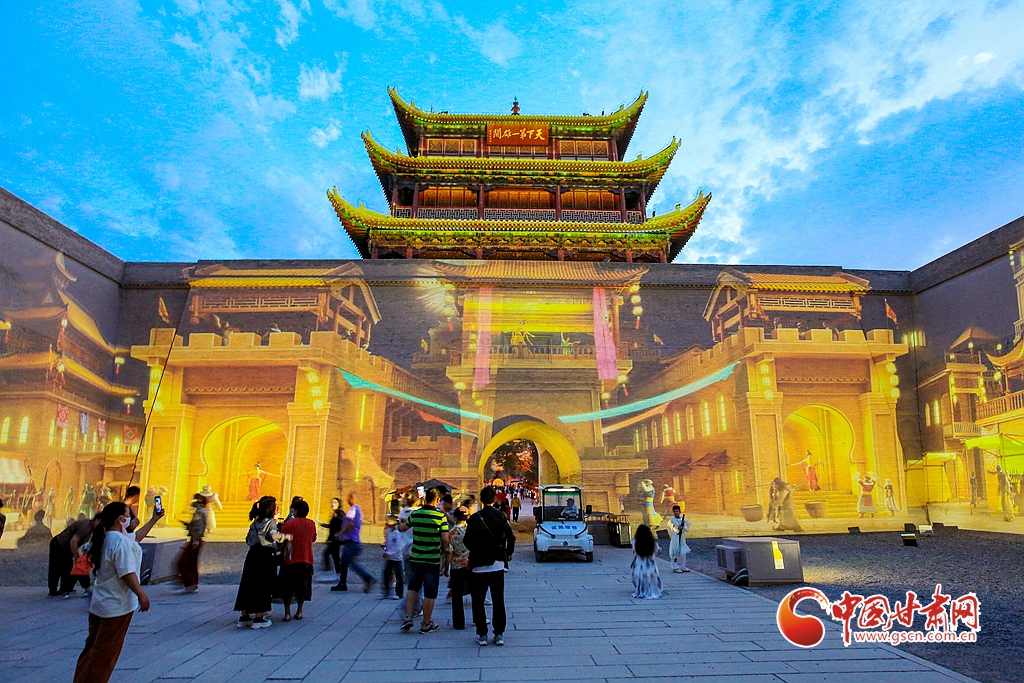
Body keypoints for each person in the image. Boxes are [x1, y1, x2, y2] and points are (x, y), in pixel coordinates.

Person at [72, 500, 163, 683]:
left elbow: (136, 537)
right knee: (105, 655)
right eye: (128, 515)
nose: (131, 518)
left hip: (100, 602)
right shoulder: (120, 542)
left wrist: (154, 519)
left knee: (92, 649)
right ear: (120, 519)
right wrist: (141, 594)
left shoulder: (106, 538)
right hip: (117, 605)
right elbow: (126, 573)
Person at [464, 485, 515, 646]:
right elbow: (511, 536)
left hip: (478, 565)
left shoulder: (474, 518)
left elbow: (467, 540)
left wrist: (477, 550)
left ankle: (482, 634)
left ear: (481, 499)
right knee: (498, 600)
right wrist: (508, 552)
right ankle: (499, 633)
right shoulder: (500, 516)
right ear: (494, 499)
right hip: (497, 564)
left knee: (478, 601)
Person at [234, 496, 291, 629]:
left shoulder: (255, 522)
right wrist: (286, 537)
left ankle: (244, 616)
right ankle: (259, 617)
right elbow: (274, 535)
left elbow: (248, 539)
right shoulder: (270, 522)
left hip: (252, 554)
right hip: (265, 556)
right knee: (263, 585)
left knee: (248, 584)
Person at [399, 487, 450, 634]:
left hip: (416, 557)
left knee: (413, 587)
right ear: (437, 499)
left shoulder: (416, 514)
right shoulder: (440, 516)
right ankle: (426, 623)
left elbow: (403, 528)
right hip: (432, 559)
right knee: (430, 592)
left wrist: (398, 523)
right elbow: (445, 539)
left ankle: (408, 616)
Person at [280, 500, 316, 621]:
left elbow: (282, 537)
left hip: (290, 559)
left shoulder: (289, 524)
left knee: (287, 587)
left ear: (295, 511)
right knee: (302, 586)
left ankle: (287, 613)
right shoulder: (311, 524)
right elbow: (313, 538)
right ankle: (299, 611)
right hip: (306, 559)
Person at [332, 492, 375, 592]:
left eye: (349, 498)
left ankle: (367, 578)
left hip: (352, 541)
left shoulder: (353, 509)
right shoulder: (357, 510)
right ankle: (342, 582)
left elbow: (350, 524)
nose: (348, 500)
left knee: (350, 563)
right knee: (345, 562)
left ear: (353, 498)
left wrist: (340, 533)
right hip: (352, 541)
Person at [50, 514, 100, 597]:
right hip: (59, 544)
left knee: (67, 568)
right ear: (96, 520)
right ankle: (54, 590)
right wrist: (77, 557)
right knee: (56, 567)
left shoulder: (90, 528)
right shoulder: (86, 527)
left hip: (63, 546)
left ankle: (64, 588)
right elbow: (73, 541)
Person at [177, 494, 207, 593]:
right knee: (191, 563)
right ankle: (191, 584)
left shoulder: (199, 512)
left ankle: (190, 583)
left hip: (195, 540)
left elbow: (198, 528)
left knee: (185, 562)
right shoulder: (200, 512)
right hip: (196, 539)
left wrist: (195, 541)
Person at [448, 507, 470, 630]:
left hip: (456, 565)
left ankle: (458, 622)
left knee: (456, 595)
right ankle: (478, 618)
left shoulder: (452, 532)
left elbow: (449, 550)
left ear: (455, 518)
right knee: (476, 593)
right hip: (471, 564)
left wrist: (445, 566)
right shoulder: (471, 530)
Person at [630, 524, 662, 599]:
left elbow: (634, 553)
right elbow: (657, 551)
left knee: (639, 578)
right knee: (652, 577)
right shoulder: (653, 542)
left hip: (639, 564)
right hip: (650, 564)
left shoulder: (635, 542)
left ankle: (641, 589)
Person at [381, 517, 404, 600]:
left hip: (397, 557)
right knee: (386, 572)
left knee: (398, 575)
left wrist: (389, 553)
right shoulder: (389, 532)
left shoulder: (398, 533)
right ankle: (386, 591)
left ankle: (399, 593)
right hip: (390, 557)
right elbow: (387, 543)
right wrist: (385, 551)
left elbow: (397, 545)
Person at [320, 497, 343, 573]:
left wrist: (338, 533)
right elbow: (332, 526)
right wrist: (323, 524)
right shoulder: (335, 513)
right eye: (332, 502)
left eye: (335, 503)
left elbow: (342, 524)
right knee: (334, 556)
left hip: (336, 539)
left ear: (339, 504)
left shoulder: (340, 513)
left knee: (328, 554)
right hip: (334, 539)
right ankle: (338, 571)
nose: (333, 504)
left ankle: (333, 570)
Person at [665, 506, 691, 573]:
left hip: (682, 537)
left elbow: (687, 529)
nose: (676, 513)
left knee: (683, 552)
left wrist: (683, 526)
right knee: (675, 551)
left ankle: (683, 566)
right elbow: (670, 529)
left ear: (679, 512)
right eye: (674, 511)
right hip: (675, 537)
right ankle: (675, 567)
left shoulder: (682, 519)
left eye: (677, 511)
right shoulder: (672, 520)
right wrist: (677, 528)